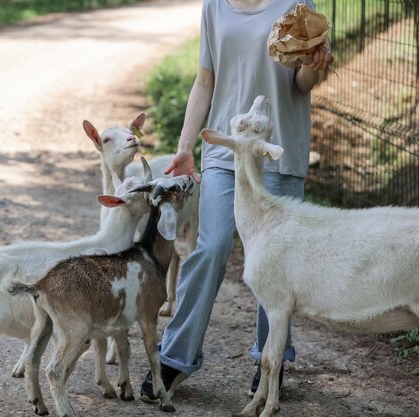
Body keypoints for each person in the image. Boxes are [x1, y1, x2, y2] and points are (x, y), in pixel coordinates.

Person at [139, 0, 333, 402]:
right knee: (210, 247)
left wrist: (316, 64)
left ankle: (271, 360)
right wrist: (184, 147)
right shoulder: (215, 6)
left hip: (276, 151)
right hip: (226, 149)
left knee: (273, 260)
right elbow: (205, 80)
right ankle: (175, 356)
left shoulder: (297, 4)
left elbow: (301, 82)